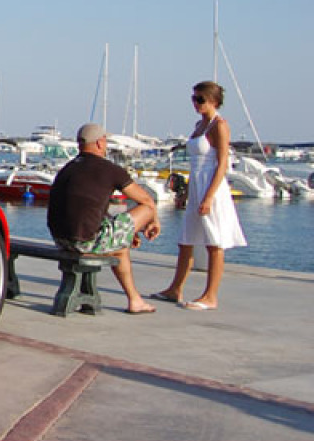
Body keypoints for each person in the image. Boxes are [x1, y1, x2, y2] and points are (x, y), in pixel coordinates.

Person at [149, 81, 247, 310]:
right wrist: (187, 193)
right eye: (193, 98)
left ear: (213, 100)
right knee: (186, 240)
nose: (195, 103)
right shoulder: (199, 124)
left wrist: (209, 196)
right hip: (196, 185)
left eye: (200, 99)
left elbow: (222, 163)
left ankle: (210, 295)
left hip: (211, 187)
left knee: (214, 242)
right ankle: (175, 289)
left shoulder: (219, 125)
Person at [47, 123, 162, 314]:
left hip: (60, 240)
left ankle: (135, 300)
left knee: (121, 247)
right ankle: (135, 301)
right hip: (83, 242)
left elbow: (89, 209)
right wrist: (153, 222)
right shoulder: (110, 169)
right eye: (106, 141)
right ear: (100, 143)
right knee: (145, 212)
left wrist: (128, 231)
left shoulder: (67, 169)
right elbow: (147, 201)